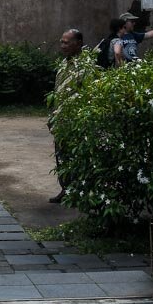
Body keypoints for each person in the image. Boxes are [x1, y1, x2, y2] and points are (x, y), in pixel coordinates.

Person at [48, 28, 84, 204]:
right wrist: (52, 115)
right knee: (61, 156)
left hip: (75, 119)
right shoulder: (64, 64)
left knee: (76, 157)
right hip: (60, 118)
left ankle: (79, 192)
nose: (62, 45)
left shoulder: (85, 65)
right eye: (61, 42)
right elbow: (57, 92)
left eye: (66, 42)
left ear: (78, 43)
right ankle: (66, 189)